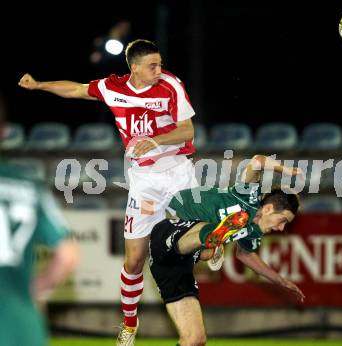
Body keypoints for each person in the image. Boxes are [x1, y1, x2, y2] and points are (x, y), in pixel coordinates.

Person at [18, 39, 198, 345]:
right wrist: (39, 86)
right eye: (152, 65)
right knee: (134, 260)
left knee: (200, 242)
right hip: (144, 180)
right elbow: (75, 88)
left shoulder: (170, 84)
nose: (159, 69)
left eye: (160, 63)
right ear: (135, 67)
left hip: (178, 170)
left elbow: (187, 130)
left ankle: (216, 238)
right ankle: (129, 323)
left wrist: (155, 140)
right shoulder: (114, 88)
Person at [148, 154, 305, 346]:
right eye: (283, 221)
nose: (281, 229)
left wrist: (280, 280)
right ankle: (215, 239)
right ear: (268, 208)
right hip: (173, 223)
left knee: (195, 340)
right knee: (209, 246)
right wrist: (286, 170)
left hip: (173, 263)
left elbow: (245, 255)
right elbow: (257, 161)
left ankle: (215, 243)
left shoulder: (253, 232)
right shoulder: (248, 196)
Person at [0, 111, 79, 346]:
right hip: (19, 322)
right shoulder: (28, 186)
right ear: (4, 131)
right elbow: (68, 254)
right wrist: (33, 289)